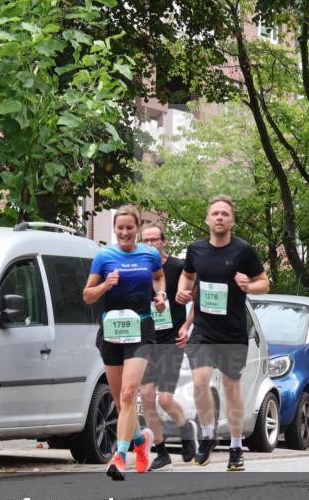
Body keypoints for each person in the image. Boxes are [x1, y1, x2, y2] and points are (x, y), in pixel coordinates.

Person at [176, 195, 270, 471]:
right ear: (207, 219)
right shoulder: (195, 249)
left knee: (231, 391)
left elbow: (264, 282)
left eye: (224, 214)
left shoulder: (244, 251)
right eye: (215, 213)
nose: (219, 218)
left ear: (232, 220)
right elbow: (188, 275)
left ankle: (237, 446)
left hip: (232, 332)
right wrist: (183, 290)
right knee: (200, 382)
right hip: (204, 330)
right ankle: (207, 434)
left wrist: (248, 286)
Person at [83, 205, 167, 480]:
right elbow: (87, 296)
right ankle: (141, 442)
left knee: (129, 393)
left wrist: (161, 295)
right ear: (115, 230)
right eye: (120, 228)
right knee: (121, 403)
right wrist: (106, 285)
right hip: (112, 329)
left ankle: (119, 457)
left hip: (141, 327)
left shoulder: (150, 254)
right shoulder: (104, 257)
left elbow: (158, 277)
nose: (125, 232)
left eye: (130, 228)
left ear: (137, 229)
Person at [139, 221, 199, 471]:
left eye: (155, 240)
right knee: (146, 395)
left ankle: (186, 428)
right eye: (146, 241)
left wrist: (187, 325)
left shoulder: (178, 267)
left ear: (164, 242)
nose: (151, 245)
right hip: (146, 338)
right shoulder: (139, 267)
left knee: (164, 398)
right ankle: (162, 453)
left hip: (171, 339)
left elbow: (201, 297)